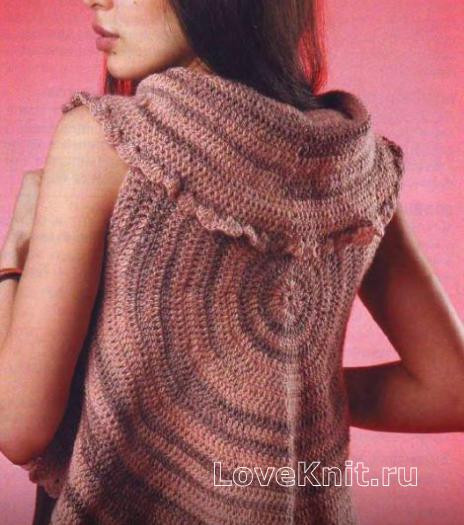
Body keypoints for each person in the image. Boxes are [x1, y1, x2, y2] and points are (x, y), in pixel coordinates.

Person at [1, 1, 463, 524]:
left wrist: (14, 251)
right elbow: (451, 388)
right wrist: (274, 400)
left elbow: (17, 425)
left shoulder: (103, 142)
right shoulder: (355, 167)